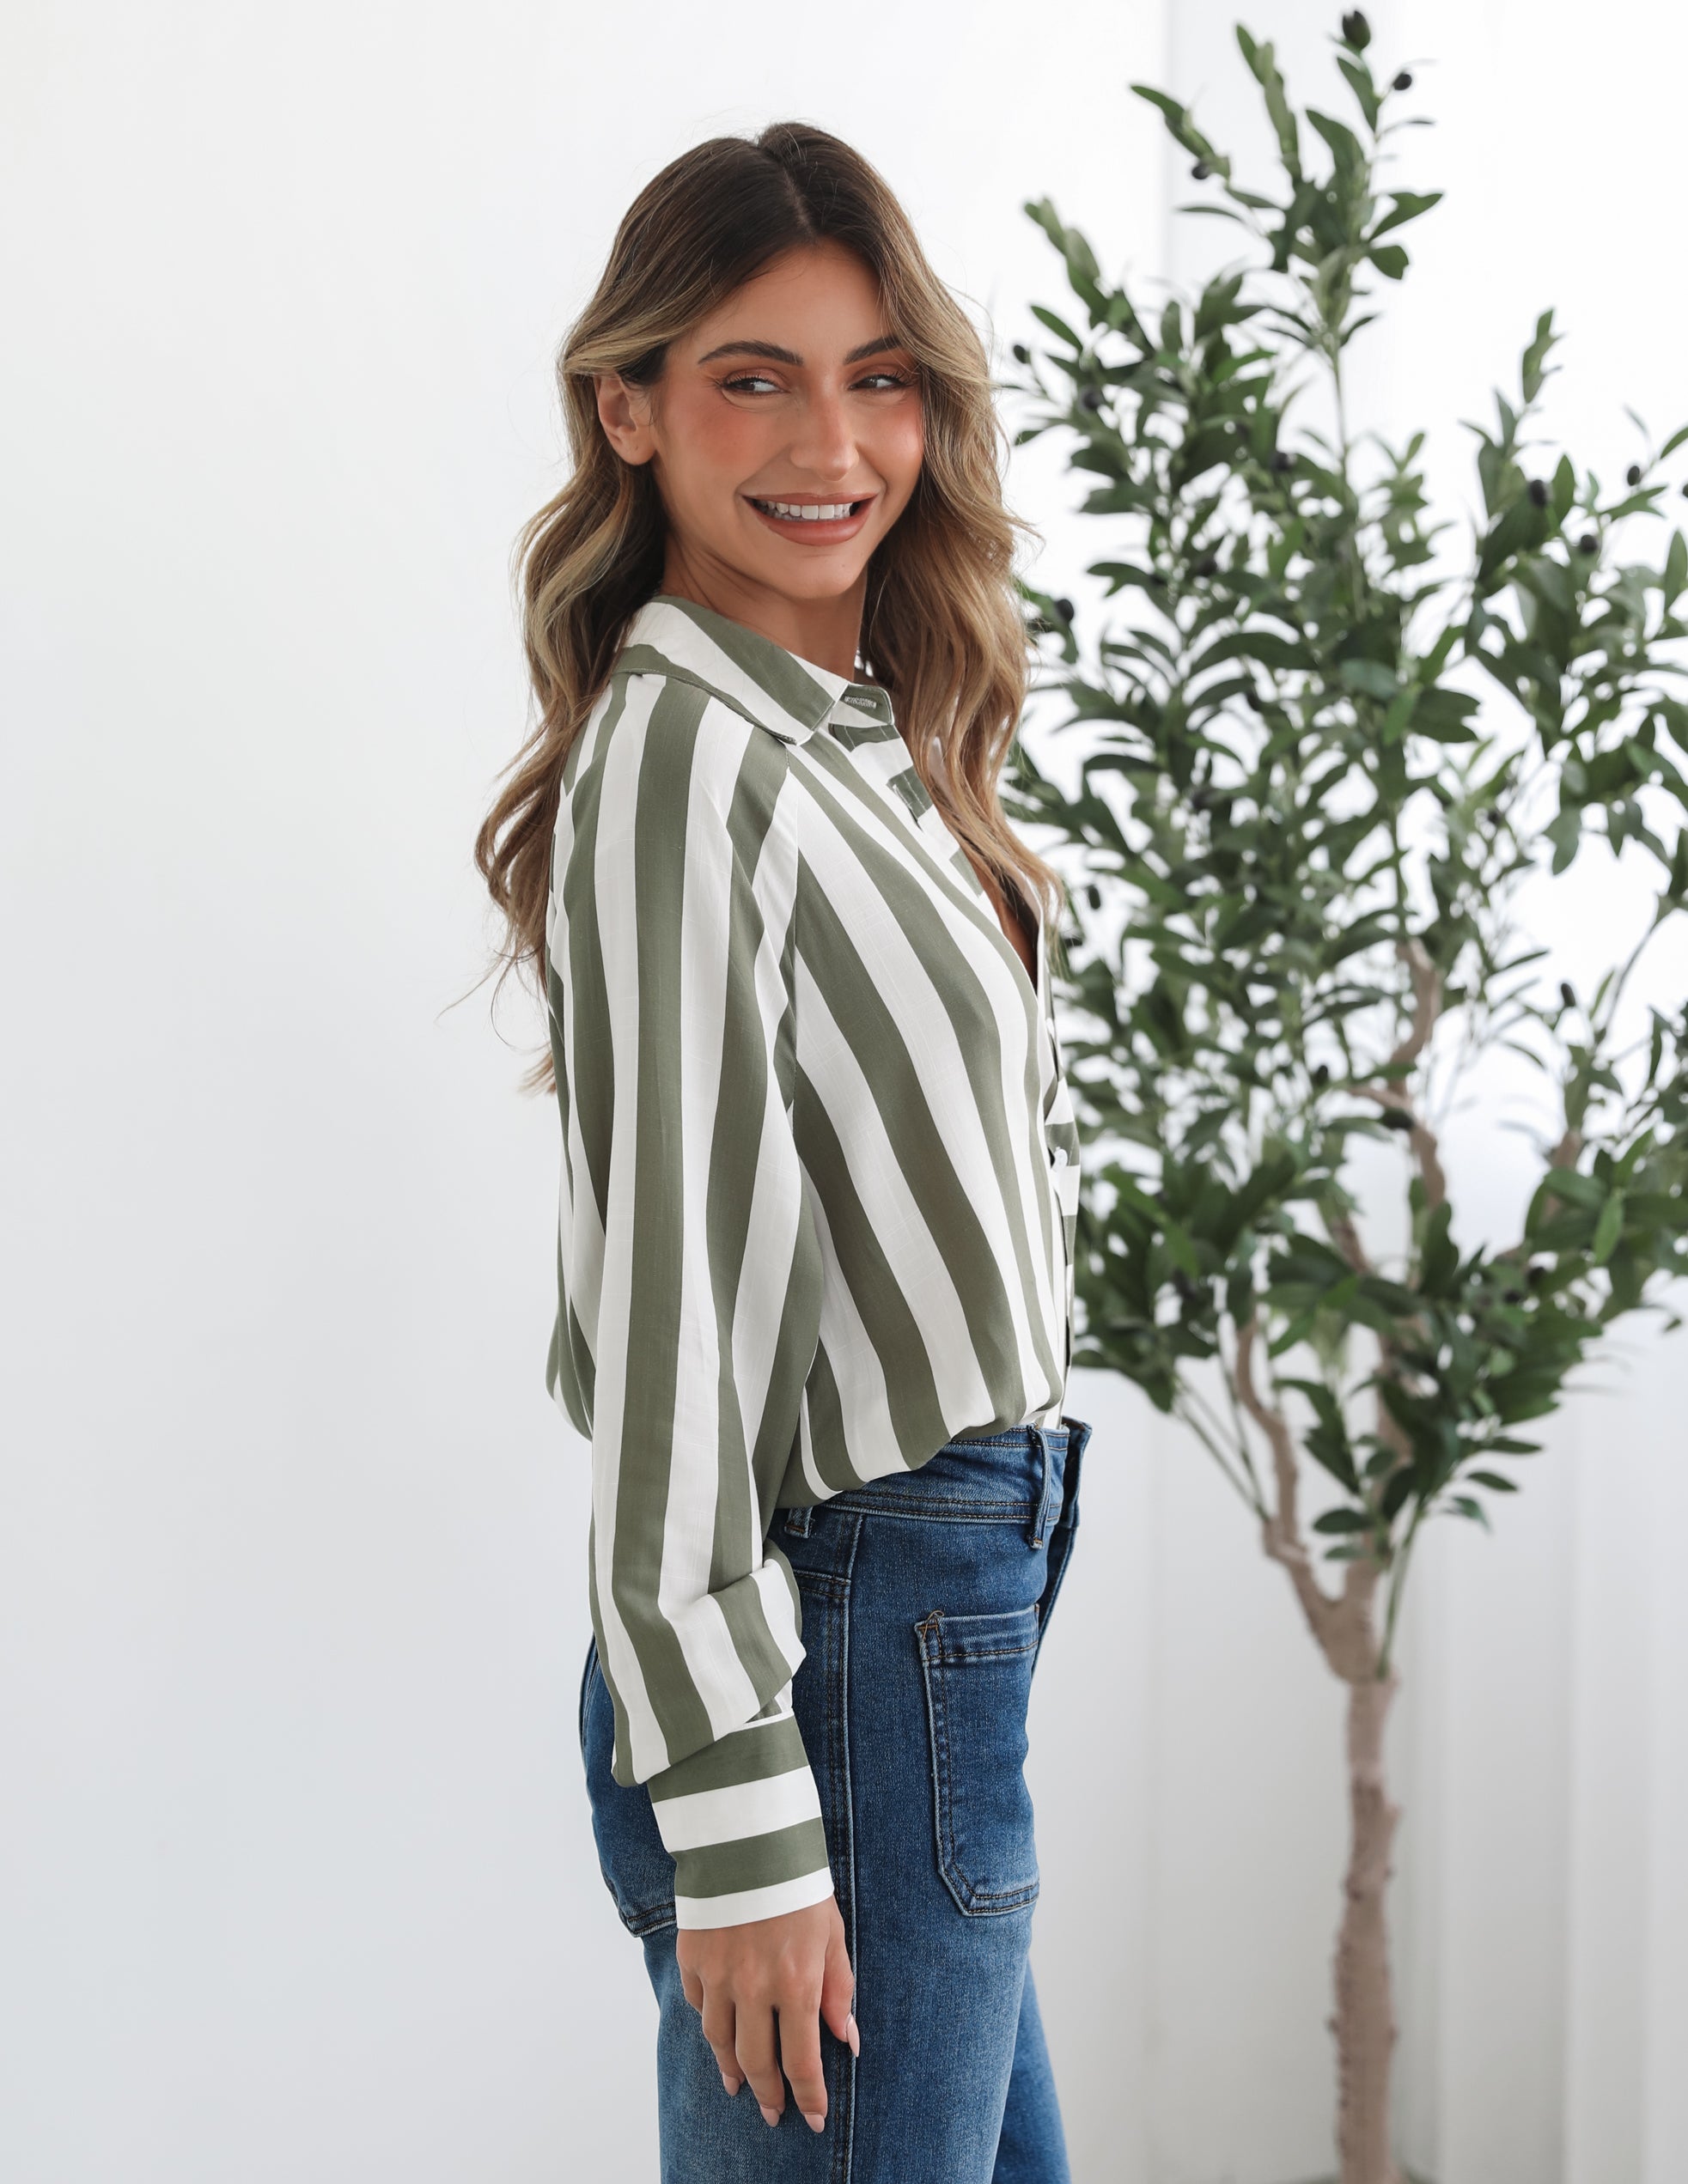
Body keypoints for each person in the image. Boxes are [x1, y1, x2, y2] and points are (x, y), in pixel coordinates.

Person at [477, 121, 1088, 2184]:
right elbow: (678, 1319)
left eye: (879, 378)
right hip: (836, 1629)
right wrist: (740, 1823)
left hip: (933, 1622)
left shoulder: (853, 732)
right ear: (628, 406)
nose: (832, 444)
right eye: (753, 378)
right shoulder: (688, 756)